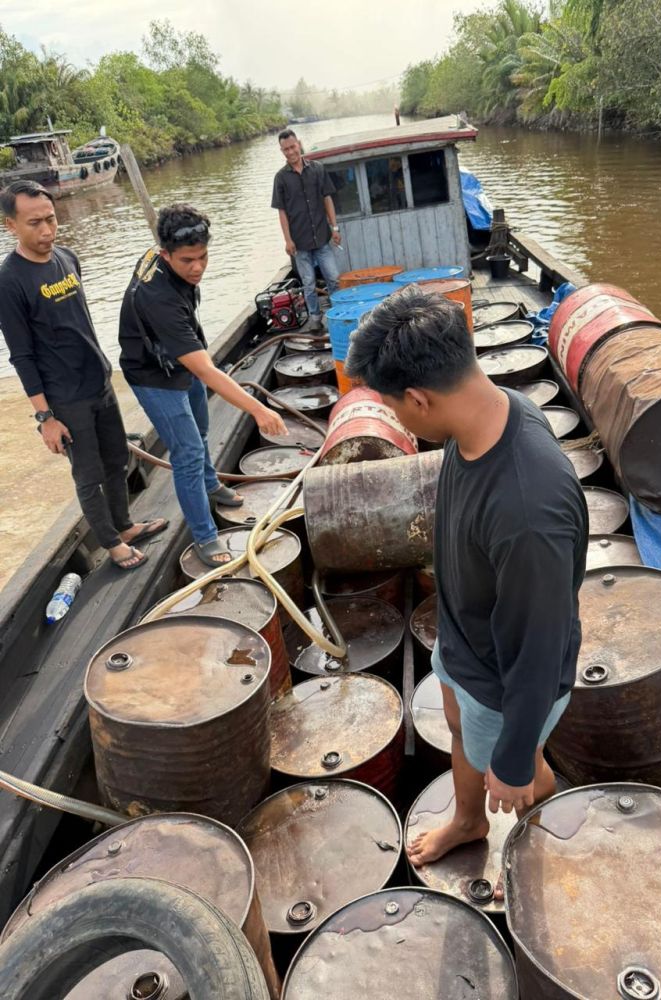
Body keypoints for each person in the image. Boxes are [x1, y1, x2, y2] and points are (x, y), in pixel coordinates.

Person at [346, 287, 588, 895]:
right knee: (458, 725)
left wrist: (510, 760)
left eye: (395, 409)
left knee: (523, 767)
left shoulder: (530, 510)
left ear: (420, 398)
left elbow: (540, 650)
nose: (399, 421)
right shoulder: (479, 417)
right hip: (466, 643)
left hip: (511, 681)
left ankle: (533, 842)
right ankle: (468, 819)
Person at [0, 179, 167, 571]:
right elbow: (21, 355)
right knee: (89, 474)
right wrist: (46, 418)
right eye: (34, 223)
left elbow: (78, 322)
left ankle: (124, 526)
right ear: (10, 226)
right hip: (65, 396)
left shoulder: (67, 257)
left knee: (116, 459)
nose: (46, 231)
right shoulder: (9, 280)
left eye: (51, 220)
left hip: (98, 382)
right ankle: (111, 543)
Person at [118, 203, 288, 569]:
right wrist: (259, 410)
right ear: (165, 255)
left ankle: (210, 485)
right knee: (188, 452)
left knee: (203, 427)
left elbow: (199, 366)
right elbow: (209, 372)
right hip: (153, 375)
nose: (197, 267)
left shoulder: (162, 253)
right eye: (187, 261)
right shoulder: (159, 299)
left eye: (203, 257)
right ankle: (205, 535)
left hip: (179, 358)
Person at [272, 129, 341, 330]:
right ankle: (315, 317)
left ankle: (337, 313)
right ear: (281, 151)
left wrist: (334, 227)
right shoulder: (281, 178)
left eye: (293, 147)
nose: (290, 152)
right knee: (309, 283)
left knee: (333, 278)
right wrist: (288, 240)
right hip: (300, 242)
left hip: (322, 236)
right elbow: (282, 212)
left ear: (299, 144)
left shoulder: (317, 169)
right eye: (286, 149)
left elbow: (327, 198)